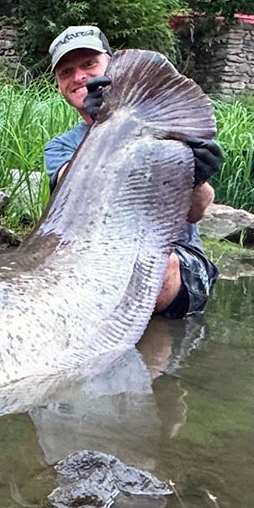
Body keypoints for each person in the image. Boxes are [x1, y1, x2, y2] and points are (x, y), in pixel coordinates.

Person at [44, 25, 221, 318]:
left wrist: (197, 177)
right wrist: (102, 129)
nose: (79, 77)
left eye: (89, 64)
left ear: (110, 64)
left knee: (154, 267)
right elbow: (69, 188)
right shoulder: (60, 147)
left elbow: (196, 211)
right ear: (59, 85)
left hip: (172, 259)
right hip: (93, 260)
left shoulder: (161, 125)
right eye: (66, 72)